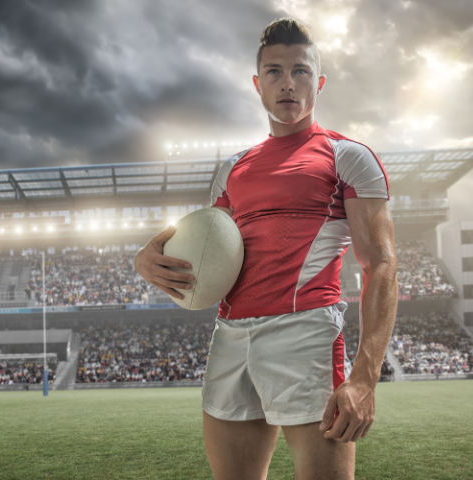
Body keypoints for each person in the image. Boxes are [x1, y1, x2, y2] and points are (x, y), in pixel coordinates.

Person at [135, 17, 398, 480]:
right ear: (258, 85)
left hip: (305, 334)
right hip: (230, 336)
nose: (287, 83)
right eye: (274, 72)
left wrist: (364, 377)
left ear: (317, 82)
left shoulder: (348, 156)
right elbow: (208, 245)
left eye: (300, 71)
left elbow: (382, 264)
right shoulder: (233, 168)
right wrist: (147, 257)